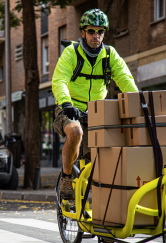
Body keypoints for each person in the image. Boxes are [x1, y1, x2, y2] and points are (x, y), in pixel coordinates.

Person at [52, 8, 139, 200]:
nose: (96, 36)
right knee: (75, 132)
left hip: (97, 110)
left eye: (100, 32)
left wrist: (137, 100)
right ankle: (66, 178)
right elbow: (59, 81)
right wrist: (66, 103)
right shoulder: (71, 53)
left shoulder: (110, 55)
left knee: (102, 156)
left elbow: (125, 79)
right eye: (91, 31)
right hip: (69, 107)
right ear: (83, 32)